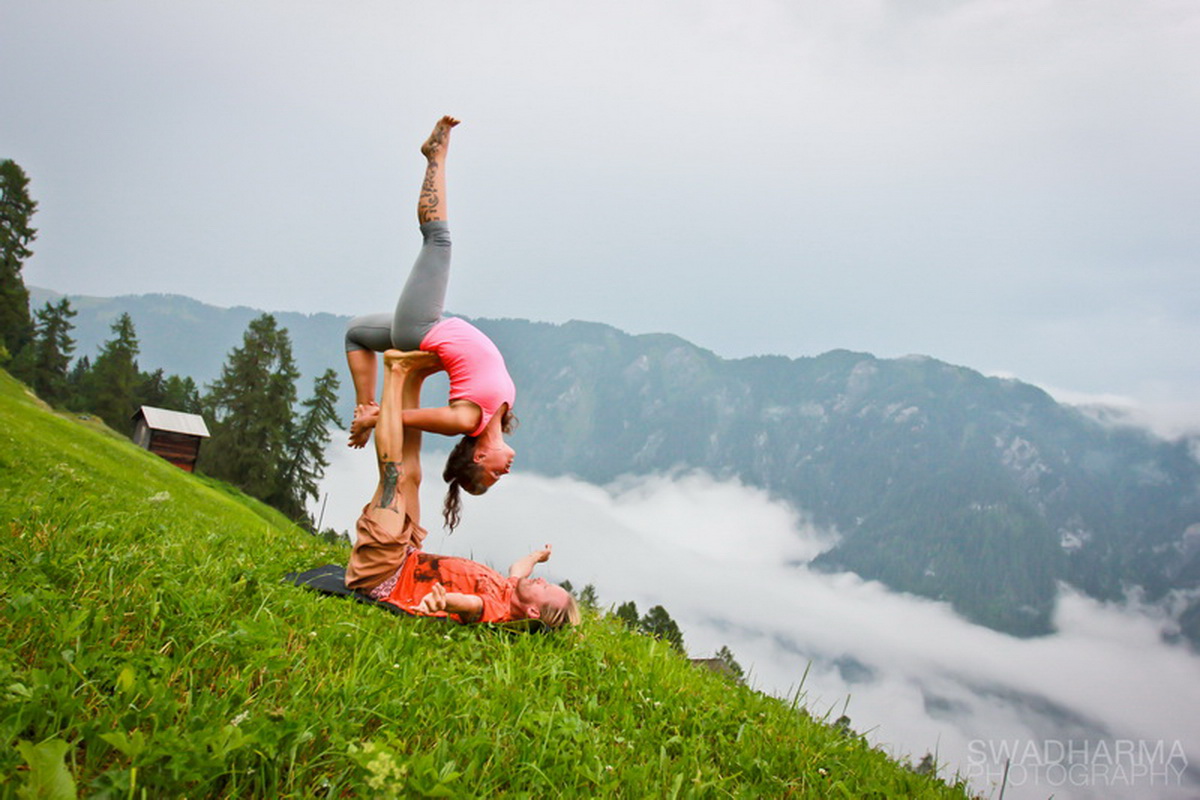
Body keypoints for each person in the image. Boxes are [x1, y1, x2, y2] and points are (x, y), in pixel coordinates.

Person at [343, 116, 515, 531]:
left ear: (478, 456)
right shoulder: (498, 414)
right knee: (355, 334)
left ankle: (434, 157)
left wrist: (374, 417)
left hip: (421, 329)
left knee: (438, 240)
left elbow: (402, 416)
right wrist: (368, 410)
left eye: (491, 475)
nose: (503, 473)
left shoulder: (464, 421)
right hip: (427, 333)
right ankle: (362, 401)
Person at [344, 349, 578, 628]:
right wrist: (537, 557)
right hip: (405, 558)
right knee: (412, 476)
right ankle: (410, 377)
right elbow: (519, 569)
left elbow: (469, 605)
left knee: (392, 475)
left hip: (381, 574)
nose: (542, 580)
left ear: (533, 613)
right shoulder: (509, 587)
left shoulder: (497, 607)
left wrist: (443, 602)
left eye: (545, 589)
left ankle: (395, 373)